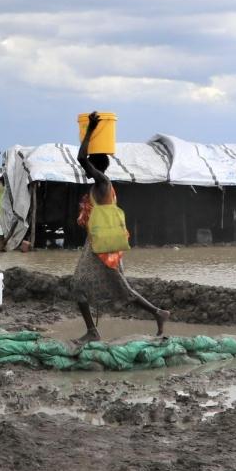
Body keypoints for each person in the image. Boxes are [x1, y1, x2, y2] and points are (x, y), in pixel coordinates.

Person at [73, 111, 169, 342]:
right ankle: (156, 313)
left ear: (95, 169)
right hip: (98, 242)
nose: (85, 171)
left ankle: (156, 313)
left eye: (89, 168)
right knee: (84, 286)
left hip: (104, 245)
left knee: (87, 285)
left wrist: (92, 130)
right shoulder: (101, 187)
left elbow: (81, 158)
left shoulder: (103, 183)